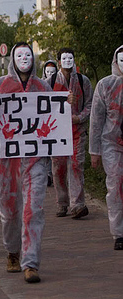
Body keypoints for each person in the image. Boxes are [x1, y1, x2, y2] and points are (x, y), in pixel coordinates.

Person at [0, 42, 53, 283]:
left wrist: (68, 102)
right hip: (7, 161)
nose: (24, 58)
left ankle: (30, 263)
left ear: (33, 58)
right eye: (19, 54)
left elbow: (55, 115)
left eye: (28, 54)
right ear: (13, 58)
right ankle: (12, 251)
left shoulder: (43, 86)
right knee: (9, 211)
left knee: (33, 210)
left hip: (35, 159)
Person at [47, 48, 93, 219]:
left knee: (76, 166)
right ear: (59, 61)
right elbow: (44, 108)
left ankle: (77, 204)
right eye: (64, 58)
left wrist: (79, 118)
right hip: (57, 133)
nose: (67, 61)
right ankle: (62, 202)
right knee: (58, 168)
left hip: (77, 132)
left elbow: (90, 104)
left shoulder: (83, 81)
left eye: (70, 58)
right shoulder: (50, 82)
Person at [89, 45, 123, 250]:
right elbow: (96, 120)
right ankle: (119, 232)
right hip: (111, 143)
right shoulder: (105, 85)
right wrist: (95, 151)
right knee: (116, 185)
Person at [42, 60, 58, 187]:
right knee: (46, 151)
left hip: (56, 122)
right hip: (44, 123)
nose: (50, 75)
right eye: (48, 72)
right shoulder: (40, 85)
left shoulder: (60, 84)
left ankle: (54, 175)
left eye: (53, 72)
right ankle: (47, 174)